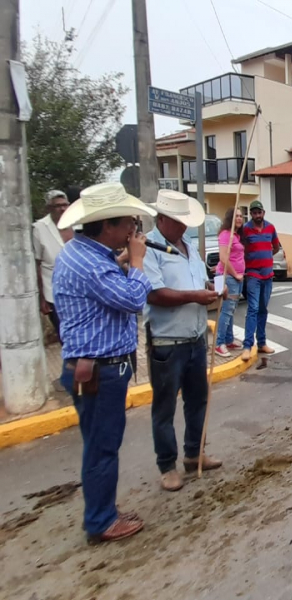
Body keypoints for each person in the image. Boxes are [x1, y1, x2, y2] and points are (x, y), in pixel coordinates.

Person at [52, 182, 156, 543]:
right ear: (107, 224)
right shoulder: (91, 265)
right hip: (100, 369)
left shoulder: (83, 254)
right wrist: (139, 262)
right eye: (127, 221)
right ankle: (101, 521)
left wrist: (124, 261)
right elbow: (130, 299)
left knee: (99, 444)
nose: (132, 229)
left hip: (93, 366)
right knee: (102, 447)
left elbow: (107, 287)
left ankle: (103, 511)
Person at [143, 190, 223, 491]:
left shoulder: (189, 246)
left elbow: (198, 282)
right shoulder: (150, 249)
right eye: (178, 222)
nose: (184, 227)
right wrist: (196, 296)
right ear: (162, 219)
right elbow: (154, 294)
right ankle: (167, 466)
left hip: (195, 337)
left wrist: (213, 290)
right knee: (164, 408)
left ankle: (194, 453)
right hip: (167, 342)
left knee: (198, 400)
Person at [241, 200, 282, 362]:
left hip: (268, 275)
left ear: (263, 213)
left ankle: (262, 343)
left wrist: (266, 257)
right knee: (253, 308)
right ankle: (247, 346)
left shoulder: (270, 228)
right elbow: (241, 250)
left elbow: (276, 247)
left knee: (263, 309)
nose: (257, 215)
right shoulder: (246, 230)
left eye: (260, 212)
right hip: (253, 275)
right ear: (251, 214)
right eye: (254, 213)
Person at [33, 190, 74, 341]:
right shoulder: (39, 228)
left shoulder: (76, 224)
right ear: (49, 208)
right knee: (64, 335)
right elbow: (37, 263)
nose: (62, 209)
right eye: (57, 206)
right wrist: (41, 298)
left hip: (78, 288)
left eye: (65, 205)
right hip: (53, 289)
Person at [214, 208, 244, 358]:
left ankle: (229, 339)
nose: (239, 218)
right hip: (228, 278)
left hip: (234, 278)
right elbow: (223, 258)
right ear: (230, 219)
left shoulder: (236, 235)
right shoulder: (226, 235)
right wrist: (236, 274)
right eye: (236, 216)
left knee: (231, 310)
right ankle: (219, 343)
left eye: (241, 216)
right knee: (226, 310)